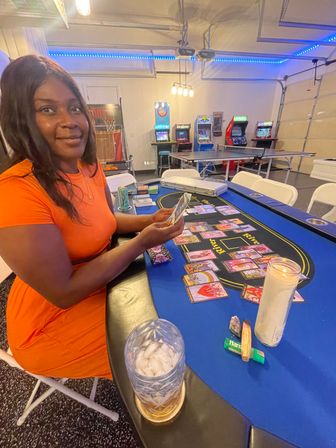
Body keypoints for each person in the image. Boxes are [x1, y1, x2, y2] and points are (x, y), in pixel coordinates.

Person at [0, 55, 184, 380]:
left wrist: (148, 220)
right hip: (52, 320)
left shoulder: (89, 166)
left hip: (98, 282)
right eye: (47, 109)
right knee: (164, 342)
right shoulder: (14, 192)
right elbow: (64, 291)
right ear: (21, 119)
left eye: (74, 107)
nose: (69, 120)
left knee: (172, 306)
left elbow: (106, 220)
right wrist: (142, 242)